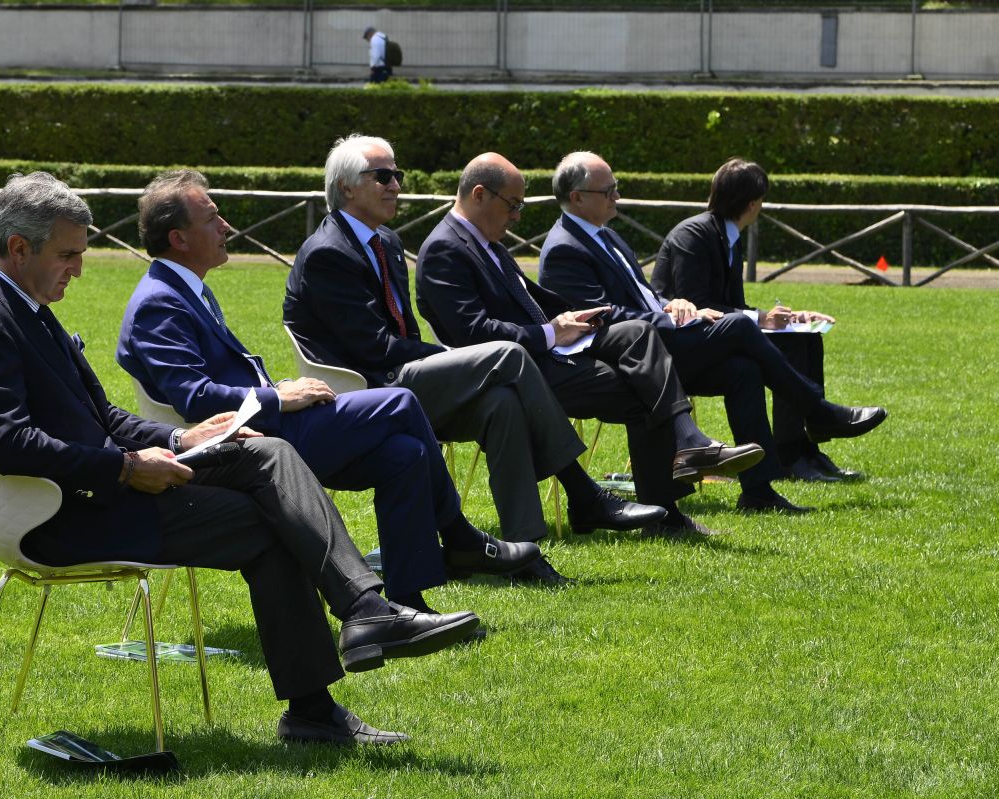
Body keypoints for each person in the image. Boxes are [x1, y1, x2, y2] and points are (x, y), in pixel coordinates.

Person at [0, 172, 481, 746]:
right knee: (272, 523)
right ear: (19, 249)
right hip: (62, 517)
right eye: (68, 255)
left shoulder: (29, 308)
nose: (79, 268)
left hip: (105, 490)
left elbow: (107, 419)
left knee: (266, 452)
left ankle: (362, 619)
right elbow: (5, 442)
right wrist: (124, 468)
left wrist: (184, 438)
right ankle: (325, 693)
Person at [116, 169, 538, 615]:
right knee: (400, 400)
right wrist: (281, 397)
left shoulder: (185, 290)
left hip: (269, 429)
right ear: (179, 239)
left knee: (405, 452)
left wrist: (279, 388)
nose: (226, 227)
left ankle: (410, 600)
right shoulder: (160, 301)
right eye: (212, 219)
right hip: (244, 447)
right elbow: (194, 398)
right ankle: (458, 535)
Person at [284, 135, 669, 587]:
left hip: (401, 376)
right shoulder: (329, 252)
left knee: (502, 403)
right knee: (507, 356)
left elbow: (401, 335)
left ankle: (525, 555)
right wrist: (450, 356)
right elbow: (377, 350)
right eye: (383, 176)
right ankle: (585, 494)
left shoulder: (384, 241)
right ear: (347, 188)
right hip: (368, 391)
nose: (396, 186)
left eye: (397, 175)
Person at [415, 152, 765, 536]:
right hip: (514, 373)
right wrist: (552, 333)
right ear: (479, 194)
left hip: (548, 356)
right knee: (644, 388)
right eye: (513, 205)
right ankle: (663, 506)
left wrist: (581, 316)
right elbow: (473, 333)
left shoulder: (487, 243)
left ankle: (685, 452)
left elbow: (537, 300)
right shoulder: (444, 249)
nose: (517, 216)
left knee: (636, 333)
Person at [539, 152, 888, 512]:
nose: (617, 196)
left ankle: (758, 491)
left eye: (616, 188)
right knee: (736, 325)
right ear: (577, 197)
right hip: (627, 359)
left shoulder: (606, 236)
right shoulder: (565, 248)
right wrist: (670, 319)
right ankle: (817, 411)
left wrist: (671, 305)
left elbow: (645, 295)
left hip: (656, 344)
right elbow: (602, 318)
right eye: (608, 190)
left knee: (744, 370)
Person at [652, 157, 886, 482]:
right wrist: (760, 317)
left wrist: (784, 318)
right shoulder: (694, 234)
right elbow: (698, 305)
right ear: (752, 203)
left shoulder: (726, 236)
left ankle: (806, 447)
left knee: (803, 335)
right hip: (680, 348)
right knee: (787, 344)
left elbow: (731, 306)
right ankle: (804, 434)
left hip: (714, 337)